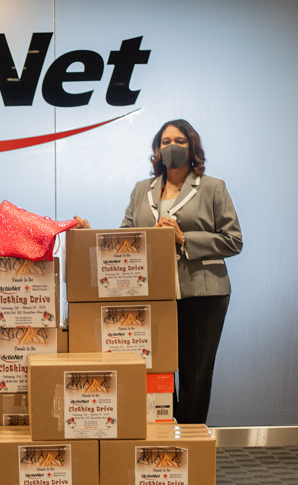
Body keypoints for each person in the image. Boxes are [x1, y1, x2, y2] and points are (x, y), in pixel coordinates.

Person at [75, 119, 242, 424]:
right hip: (153, 294)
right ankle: (165, 437)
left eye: (179, 140)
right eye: (165, 142)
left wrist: (184, 238)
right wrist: (90, 234)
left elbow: (234, 240)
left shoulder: (213, 187)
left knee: (195, 375)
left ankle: (190, 443)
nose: (172, 147)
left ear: (192, 147)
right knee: (159, 371)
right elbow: (124, 237)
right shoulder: (142, 190)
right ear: (156, 149)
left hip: (202, 294)